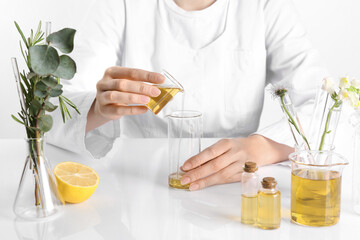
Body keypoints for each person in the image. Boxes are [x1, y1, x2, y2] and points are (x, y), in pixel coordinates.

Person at [48, 0, 326, 191]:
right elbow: (53, 111)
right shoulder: (122, 6)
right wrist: (98, 109)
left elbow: (326, 103)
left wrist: (263, 148)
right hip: (141, 184)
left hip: (238, 186)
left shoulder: (264, 6)